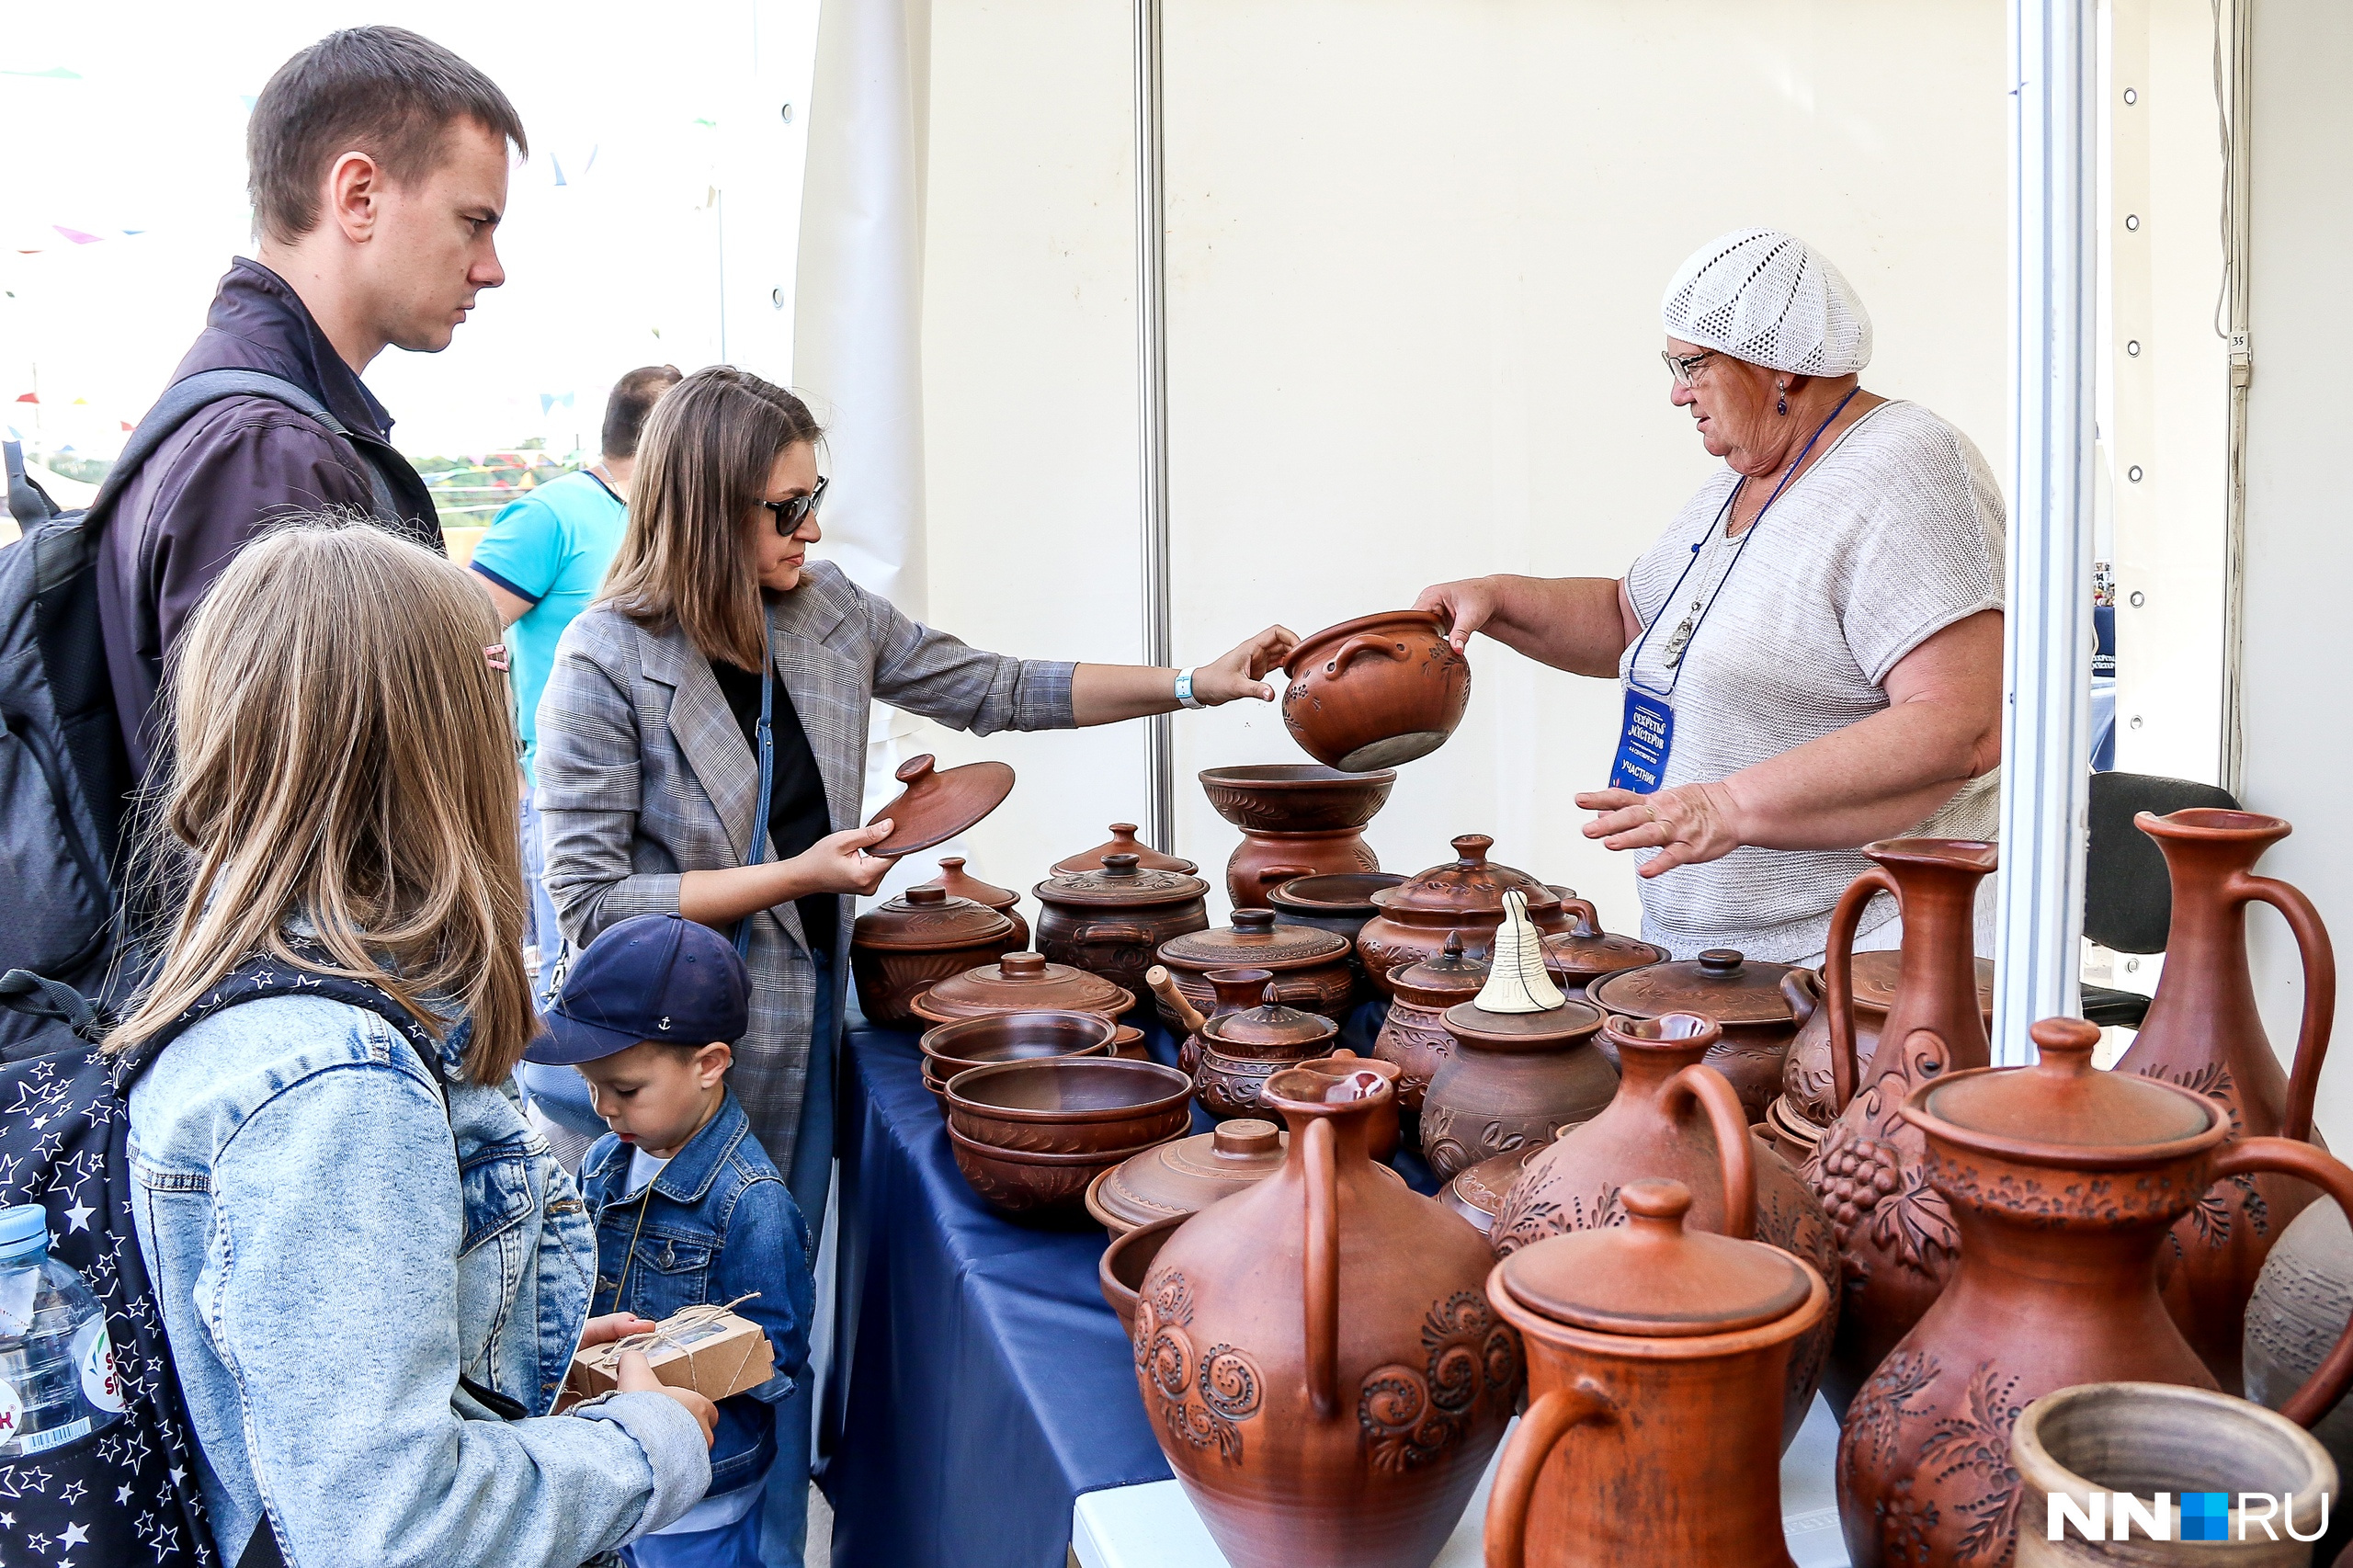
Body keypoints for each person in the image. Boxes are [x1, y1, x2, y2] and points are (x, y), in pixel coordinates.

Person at [534, 364, 1296, 1564]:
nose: (813, 527)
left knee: (767, 1333)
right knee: (686, 1358)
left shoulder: (826, 610)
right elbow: (585, 903)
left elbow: (996, 687)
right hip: (670, 1080)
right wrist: (799, 873)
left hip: (794, 1035)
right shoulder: (605, 659)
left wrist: (1201, 681)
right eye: (786, 507)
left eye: (815, 495)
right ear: (702, 505)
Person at [112, 520, 717, 1565]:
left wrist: (525, 1371)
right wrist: (641, 1446)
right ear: (443, 749)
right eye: (500, 710)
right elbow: (390, 1525)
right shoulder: (340, 1089)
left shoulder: (269, 1010)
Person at [1416, 229, 2005, 963]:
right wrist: (1497, 599)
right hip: (1726, 957)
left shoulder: (1908, 466)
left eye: (1692, 364)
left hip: (1869, 951)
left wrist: (1727, 806)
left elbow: (1962, 725)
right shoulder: (1745, 477)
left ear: (1779, 366)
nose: (1675, 391)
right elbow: (1631, 621)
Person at [97, 26, 524, 776]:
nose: (491, 269)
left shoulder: (253, 418)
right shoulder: (266, 451)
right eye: (474, 222)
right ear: (358, 196)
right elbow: (280, 840)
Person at [532, 913, 814, 1568]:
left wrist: (678, 1361)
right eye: (590, 1084)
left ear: (710, 1065)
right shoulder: (605, 1159)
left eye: (626, 1089)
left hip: (702, 1484)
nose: (603, 1107)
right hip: (616, 1457)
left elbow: (778, 1352)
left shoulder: (752, 1203)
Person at [472, 365, 684, 980]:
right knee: (575, 997)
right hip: (570, 803)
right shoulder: (549, 517)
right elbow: (451, 641)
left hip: (669, 806)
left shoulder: (678, 519)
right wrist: (507, 771)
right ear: (658, 436)